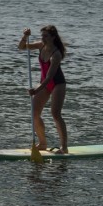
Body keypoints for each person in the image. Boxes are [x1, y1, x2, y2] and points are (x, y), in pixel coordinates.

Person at [18, 25, 68, 154]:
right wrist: (25, 36)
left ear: (53, 37)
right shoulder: (41, 46)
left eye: (46, 36)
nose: (43, 38)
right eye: (42, 36)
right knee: (34, 112)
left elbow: (49, 77)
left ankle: (64, 147)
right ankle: (43, 143)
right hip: (44, 84)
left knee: (55, 114)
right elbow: (22, 47)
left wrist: (36, 89)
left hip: (57, 84)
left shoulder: (56, 54)